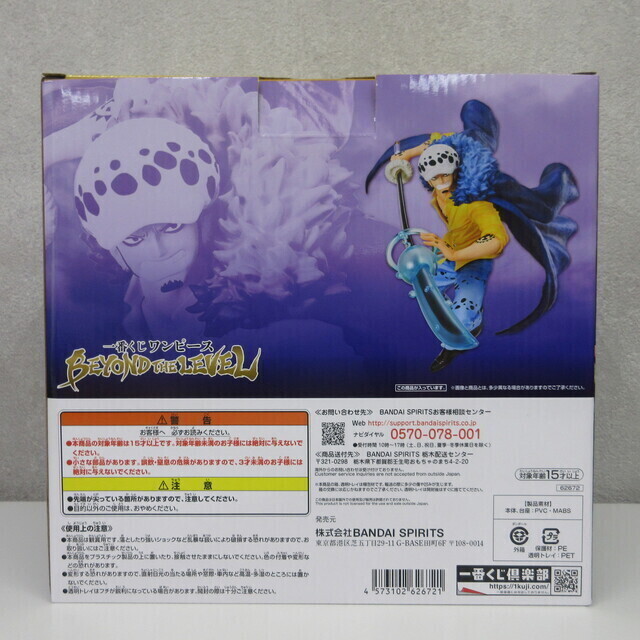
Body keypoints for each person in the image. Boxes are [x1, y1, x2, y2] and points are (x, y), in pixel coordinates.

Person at [73, 117, 220, 340]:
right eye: (133, 239)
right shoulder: (128, 316)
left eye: (172, 227)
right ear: (115, 252)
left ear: (203, 222)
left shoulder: (237, 309)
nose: (158, 250)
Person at [392, 139, 509, 371]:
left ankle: (458, 339)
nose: (442, 181)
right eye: (435, 178)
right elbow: (436, 141)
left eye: (445, 175)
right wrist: (407, 154)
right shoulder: (438, 193)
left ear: (455, 171)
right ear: (427, 179)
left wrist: (456, 254)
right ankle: (447, 297)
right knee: (418, 283)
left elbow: (497, 239)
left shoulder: (477, 203)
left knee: (462, 319)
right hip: (447, 254)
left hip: (473, 260)